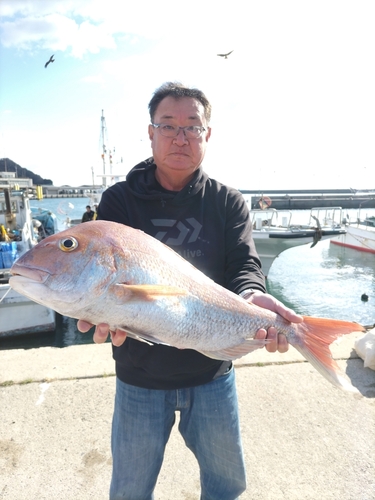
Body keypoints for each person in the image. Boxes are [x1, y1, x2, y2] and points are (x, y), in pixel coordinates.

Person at [78, 82, 302, 500]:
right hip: (139, 376)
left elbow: (244, 268)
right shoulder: (120, 201)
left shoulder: (228, 202)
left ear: (207, 134)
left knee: (226, 485)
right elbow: (107, 279)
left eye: (192, 127)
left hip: (212, 374)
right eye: (168, 126)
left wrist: (253, 298)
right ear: (150, 133)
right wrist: (99, 311)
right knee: (128, 490)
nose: (180, 137)